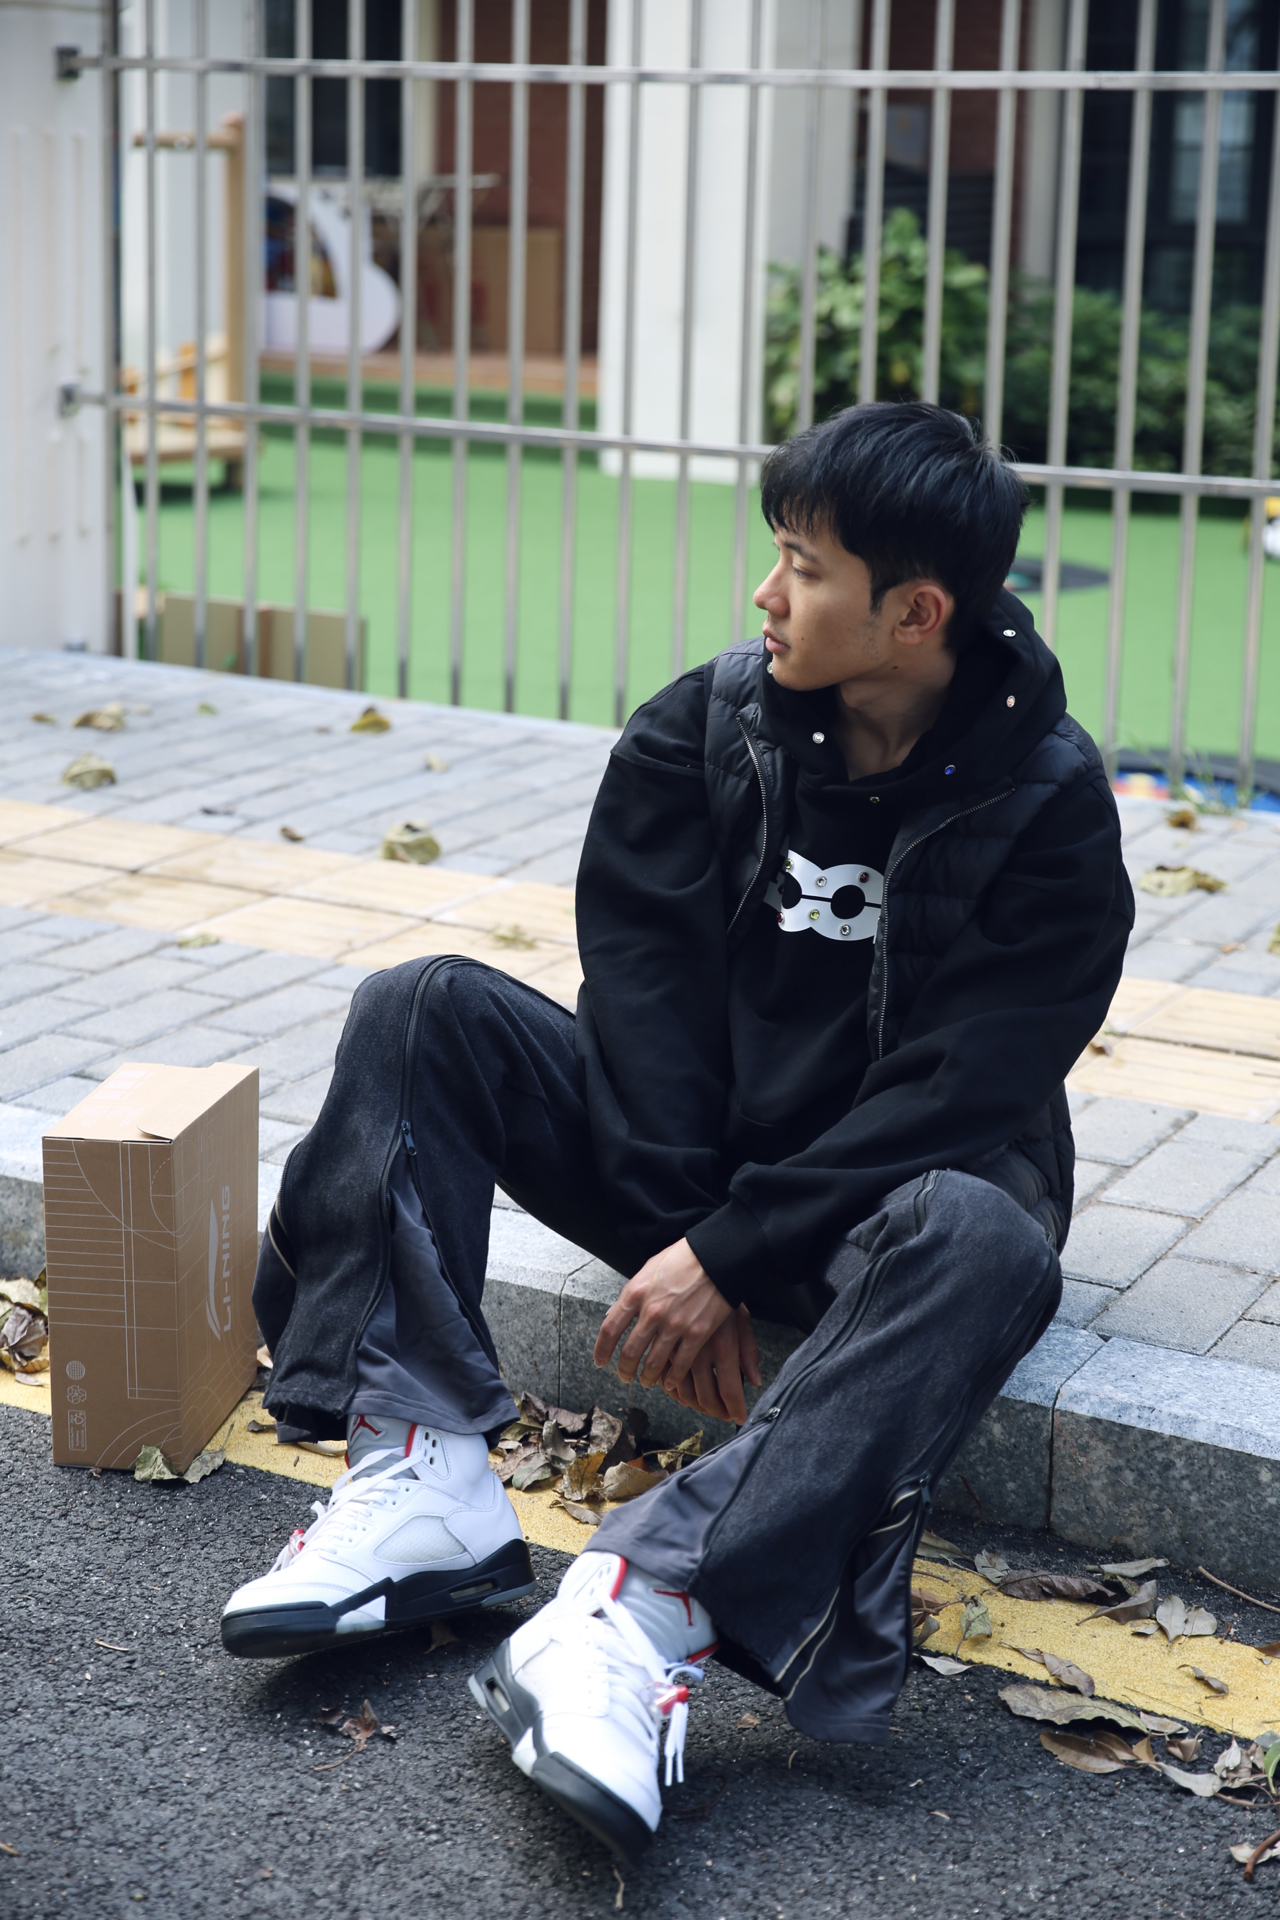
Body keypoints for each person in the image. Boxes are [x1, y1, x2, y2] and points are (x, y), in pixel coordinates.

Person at [221, 402, 1132, 1864]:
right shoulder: (705, 727)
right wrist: (686, 1240)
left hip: (884, 1212)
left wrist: (737, 1251)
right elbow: (639, 997)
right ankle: (424, 1473)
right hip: (689, 1181)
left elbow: (967, 1089)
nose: (765, 595)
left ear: (915, 613)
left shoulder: (1052, 805)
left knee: (988, 1236)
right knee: (422, 1005)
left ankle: (639, 1612)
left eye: (804, 568)